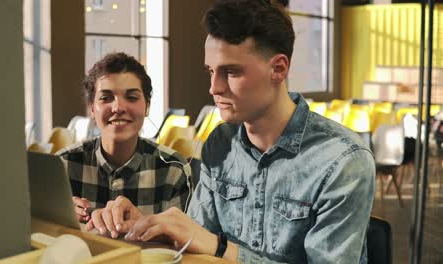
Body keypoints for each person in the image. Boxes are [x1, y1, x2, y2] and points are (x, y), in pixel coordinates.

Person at [88, 1, 376, 263]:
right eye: (211, 71)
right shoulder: (220, 142)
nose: (214, 87)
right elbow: (195, 240)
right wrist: (147, 227)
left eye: (231, 72)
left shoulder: (342, 160)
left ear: (278, 68)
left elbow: (209, 244)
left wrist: (221, 248)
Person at [56, 52, 191, 239]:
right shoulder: (63, 165)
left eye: (132, 97)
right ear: (91, 108)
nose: (118, 107)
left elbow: (183, 248)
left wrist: (146, 225)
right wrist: (57, 218)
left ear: (147, 106)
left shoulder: (173, 169)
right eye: (106, 98)